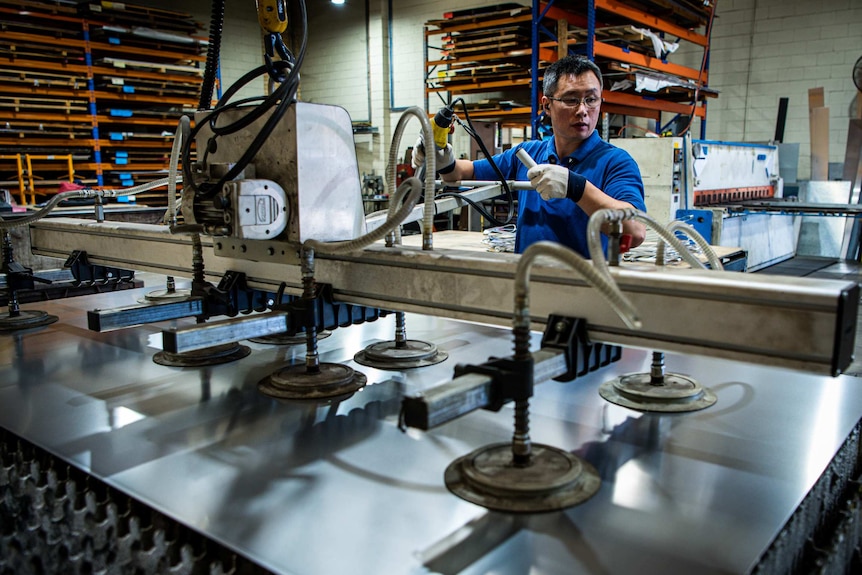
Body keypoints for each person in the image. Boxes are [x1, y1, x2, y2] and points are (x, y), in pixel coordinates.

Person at [413, 55, 647, 258]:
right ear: (547, 105)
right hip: (526, 287)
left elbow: (634, 232)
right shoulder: (526, 154)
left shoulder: (616, 162)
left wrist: (576, 187)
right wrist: (443, 160)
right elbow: (465, 173)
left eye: (591, 99)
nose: (583, 110)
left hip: (586, 294)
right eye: (571, 99)